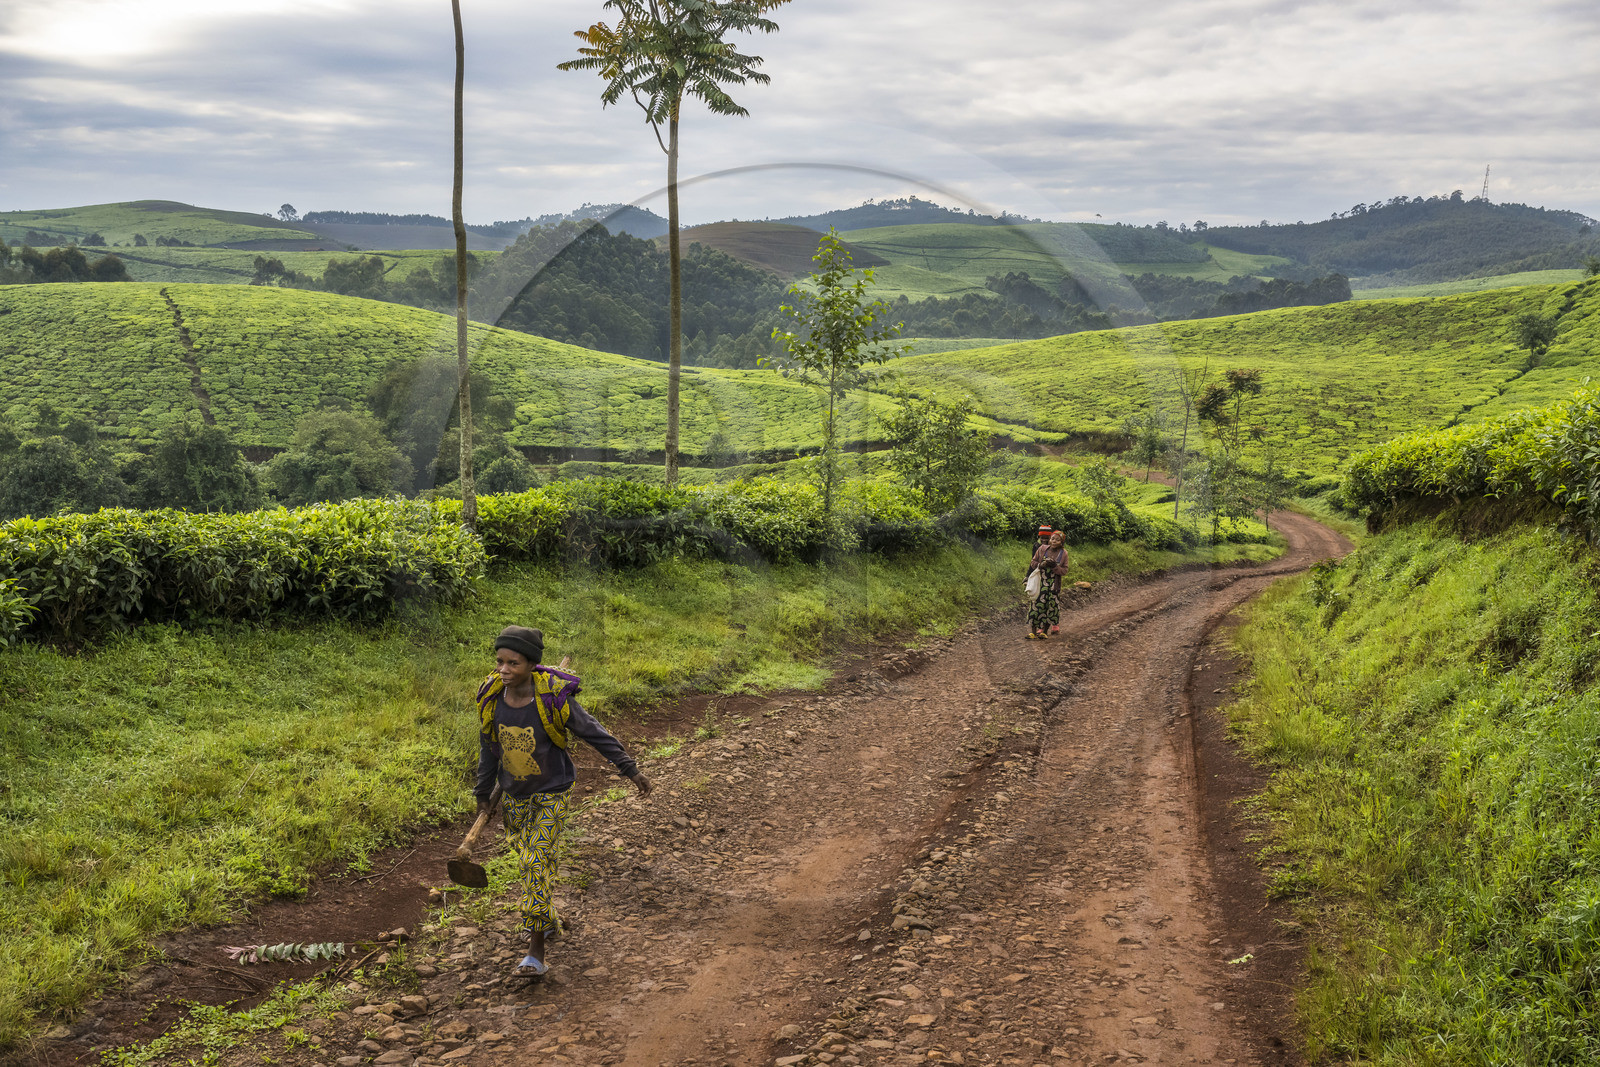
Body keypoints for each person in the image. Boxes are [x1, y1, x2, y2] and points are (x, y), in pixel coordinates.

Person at [474, 625, 651, 980]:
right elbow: (489, 750)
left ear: (532, 664)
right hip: (514, 797)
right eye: (500, 662)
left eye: (514, 663)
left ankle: (536, 953)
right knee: (528, 863)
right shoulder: (493, 700)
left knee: (536, 861)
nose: (504, 670)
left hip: (552, 793)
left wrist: (630, 769)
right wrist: (483, 796)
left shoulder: (553, 701)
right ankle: (549, 920)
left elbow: (595, 733)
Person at [1025, 530, 1070, 639]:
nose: (1054, 541)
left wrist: (1055, 567)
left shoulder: (1063, 554)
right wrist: (1041, 565)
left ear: (1061, 542)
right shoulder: (1042, 549)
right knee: (1035, 605)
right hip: (1040, 583)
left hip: (1053, 585)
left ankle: (1044, 631)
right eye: (1052, 539)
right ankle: (1033, 632)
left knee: (1050, 607)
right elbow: (1033, 562)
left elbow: (1064, 571)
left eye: (1057, 540)